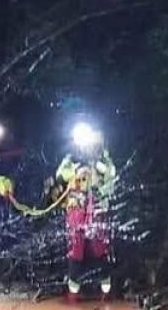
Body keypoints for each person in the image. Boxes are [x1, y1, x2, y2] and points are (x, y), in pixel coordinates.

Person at [48, 122, 117, 299]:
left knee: (99, 243)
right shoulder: (71, 160)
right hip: (76, 206)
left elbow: (111, 178)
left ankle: (105, 284)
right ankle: (73, 288)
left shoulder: (103, 161)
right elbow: (60, 175)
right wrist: (76, 169)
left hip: (97, 206)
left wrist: (98, 172)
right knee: (75, 243)